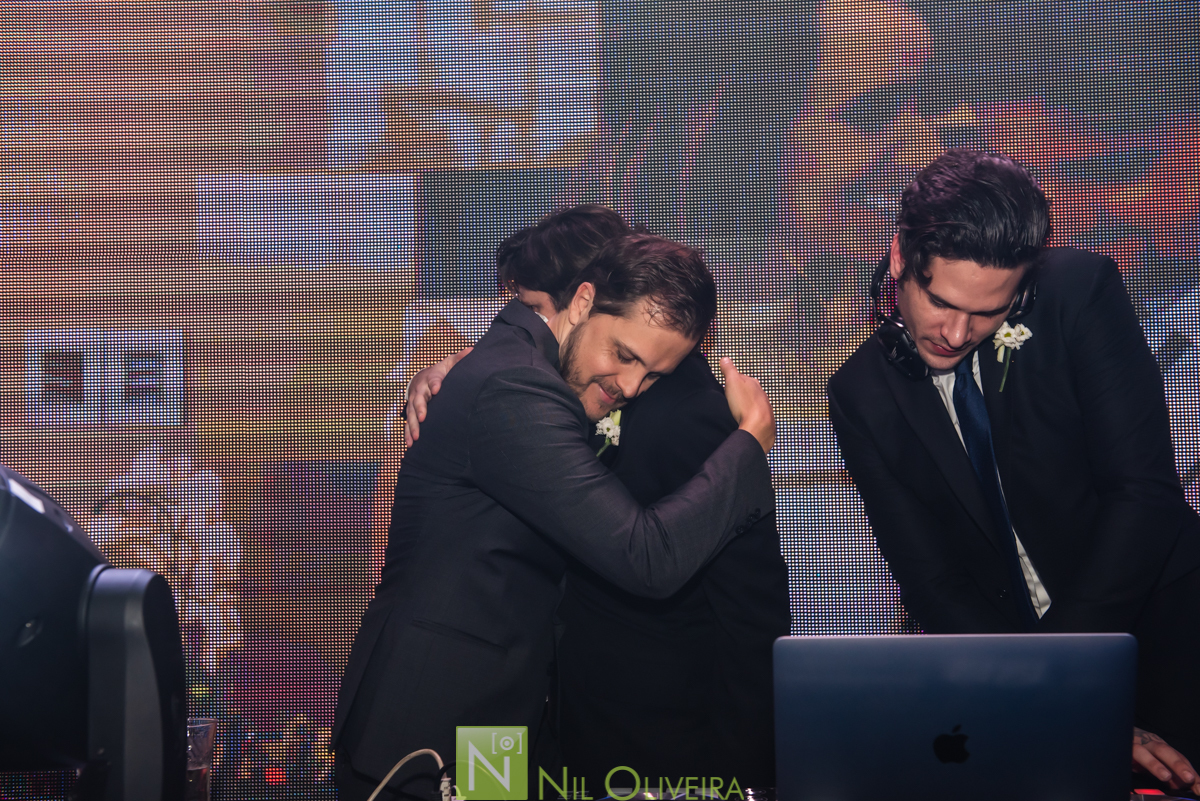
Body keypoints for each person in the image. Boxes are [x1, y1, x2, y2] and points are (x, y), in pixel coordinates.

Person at [333, 230, 777, 800]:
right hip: (428, 726)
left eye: (655, 375)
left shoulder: (520, 369)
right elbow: (644, 556)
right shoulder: (516, 385)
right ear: (585, 302)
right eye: (624, 355)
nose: (631, 387)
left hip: (490, 724)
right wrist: (747, 444)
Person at [827, 148, 1200, 791]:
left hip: (1161, 634)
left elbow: (1144, 494)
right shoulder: (859, 394)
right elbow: (931, 580)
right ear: (899, 259)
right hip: (1012, 678)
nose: (956, 331)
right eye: (940, 300)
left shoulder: (1078, 293)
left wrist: (1066, 680)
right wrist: (1040, 695)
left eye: (989, 311)